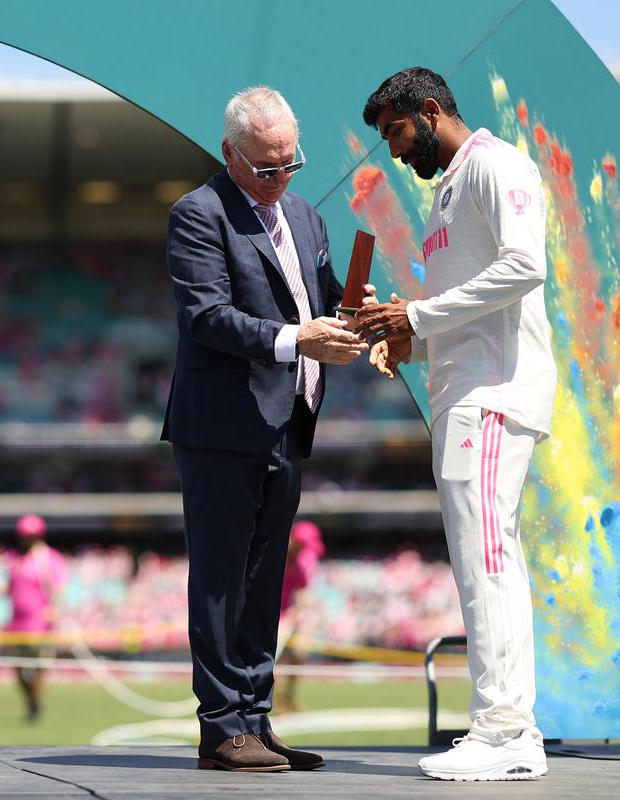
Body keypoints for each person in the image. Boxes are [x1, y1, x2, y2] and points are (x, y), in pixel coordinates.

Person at [355, 66, 557, 781]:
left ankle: (506, 731)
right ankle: (505, 727)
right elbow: (474, 305)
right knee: (480, 560)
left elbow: (525, 267)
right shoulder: (448, 193)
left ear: (431, 111)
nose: (394, 152)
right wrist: (417, 336)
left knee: (489, 557)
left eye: (397, 134)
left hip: (495, 394)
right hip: (465, 392)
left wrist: (414, 314)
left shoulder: (495, 164)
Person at [161, 85, 370, 772]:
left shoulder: (306, 217)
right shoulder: (199, 214)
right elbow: (207, 317)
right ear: (230, 153)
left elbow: (327, 300)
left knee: (263, 579)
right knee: (221, 579)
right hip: (223, 425)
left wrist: (371, 321)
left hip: (288, 421)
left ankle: (253, 715)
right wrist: (296, 340)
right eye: (265, 167)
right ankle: (221, 728)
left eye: (290, 164)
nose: (279, 178)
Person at [5, 513, 67, 723]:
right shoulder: (13, 558)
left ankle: (36, 703)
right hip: (16, 623)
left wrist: (54, 608)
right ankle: (31, 700)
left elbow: (59, 587)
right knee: (18, 668)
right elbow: (8, 589)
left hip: (39, 623)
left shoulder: (48, 558)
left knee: (40, 666)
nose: (26, 538)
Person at [275, 519, 324, 713]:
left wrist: (303, 611)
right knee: (273, 663)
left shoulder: (300, 564)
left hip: (288, 619)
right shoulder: (275, 556)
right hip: (271, 619)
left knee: (297, 656)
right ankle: (272, 702)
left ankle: (287, 699)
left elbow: (303, 592)